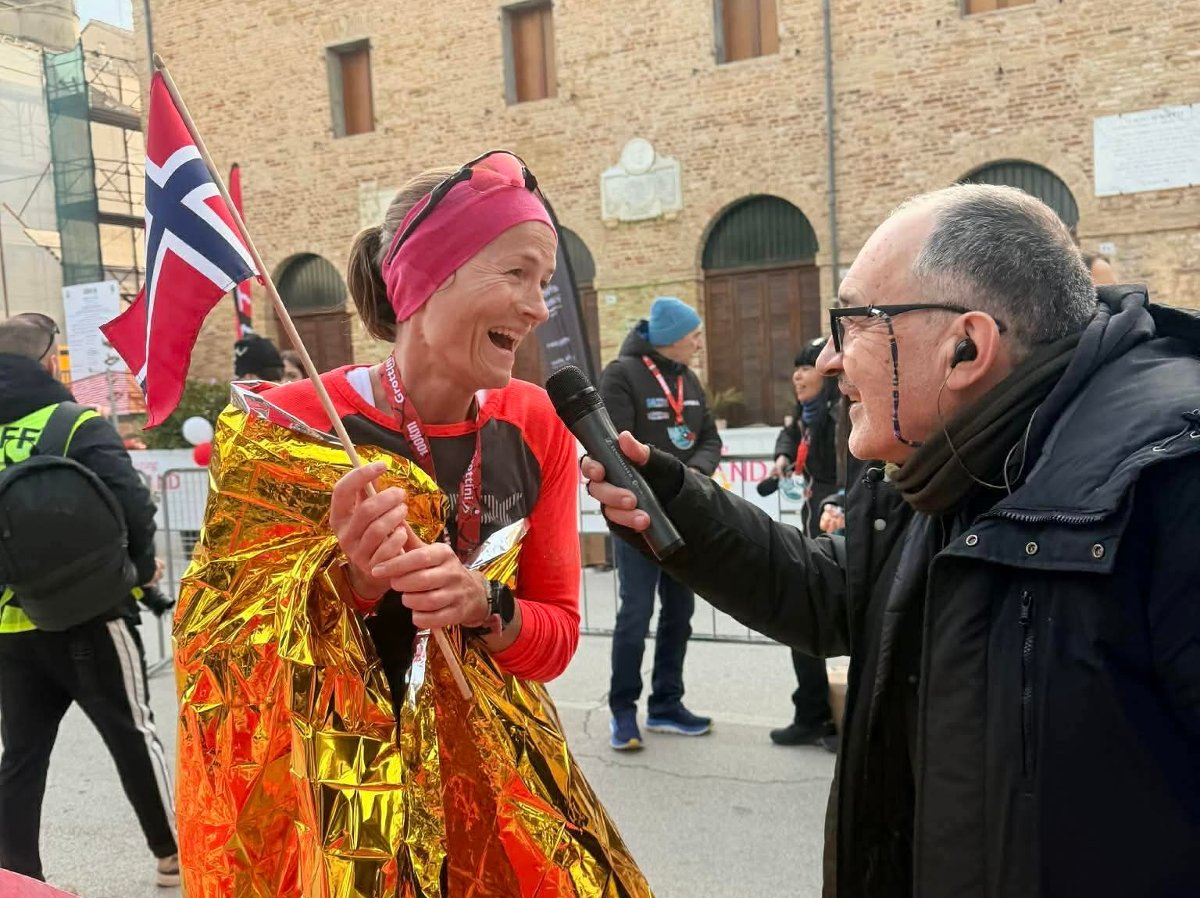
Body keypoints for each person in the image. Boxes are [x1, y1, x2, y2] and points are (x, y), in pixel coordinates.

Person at [582, 184, 1200, 898]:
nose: (830, 360)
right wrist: (675, 500)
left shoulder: (1172, 480)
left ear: (967, 347)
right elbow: (833, 592)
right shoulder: (950, 460)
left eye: (854, 324)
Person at [173, 153, 651, 896]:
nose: (538, 308)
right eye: (518, 274)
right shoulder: (292, 424)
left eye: (544, 283)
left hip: (494, 791)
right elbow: (219, 657)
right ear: (427, 277)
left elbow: (554, 640)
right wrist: (352, 588)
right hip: (339, 795)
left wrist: (483, 603)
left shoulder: (537, 422)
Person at [0, 315, 180, 888]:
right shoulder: (74, 422)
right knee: (133, 733)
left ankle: (19, 877)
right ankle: (170, 854)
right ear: (47, 363)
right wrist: (140, 569)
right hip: (93, 613)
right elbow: (133, 503)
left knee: (21, 756)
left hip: (12, 625)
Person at [600, 296, 722, 750]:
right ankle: (623, 711)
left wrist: (692, 476)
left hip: (685, 513)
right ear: (672, 337)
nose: (699, 343)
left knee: (680, 613)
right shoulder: (622, 374)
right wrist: (662, 485)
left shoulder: (688, 378)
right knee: (636, 613)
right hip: (638, 517)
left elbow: (709, 437)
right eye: (694, 335)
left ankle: (667, 704)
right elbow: (613, 446)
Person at [768, 337, 840, 751]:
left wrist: (839, 501)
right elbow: (789, 434)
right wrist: (783, 457)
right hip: (815, 529)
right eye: (796, 369)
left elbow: (858, 471)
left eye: (806, 367)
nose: (798, 376)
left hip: (842, 531)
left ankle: (844, 721)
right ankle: (813, 715)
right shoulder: (807, 414)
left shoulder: (841, 412)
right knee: (803, 622)